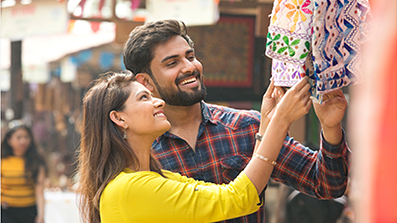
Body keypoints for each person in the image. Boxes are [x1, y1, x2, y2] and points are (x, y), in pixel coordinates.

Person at [122, 19, 351, 222]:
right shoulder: (140, 154)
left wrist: (330, 127)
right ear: (146, 82)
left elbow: (328, 184)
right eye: (172, 63)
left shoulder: (246, 127)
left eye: (190, 56)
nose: (189, 67)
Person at [76, 71, 312, 223]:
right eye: (144, 98)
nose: (159, 101)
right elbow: (235, 198)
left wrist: (268, 126)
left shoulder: (152, 177)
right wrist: (280, 122)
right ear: (120, 119)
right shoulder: (129, 188)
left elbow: (236, 197)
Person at [1, 122, 47, 223]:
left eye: (26, 137)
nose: (23, 141)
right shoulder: (2, 161)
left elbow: (39, 190)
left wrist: (41, 215)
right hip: (5, 211)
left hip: (29, 211)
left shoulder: (36, 162)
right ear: (9, 140)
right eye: (19, 137)